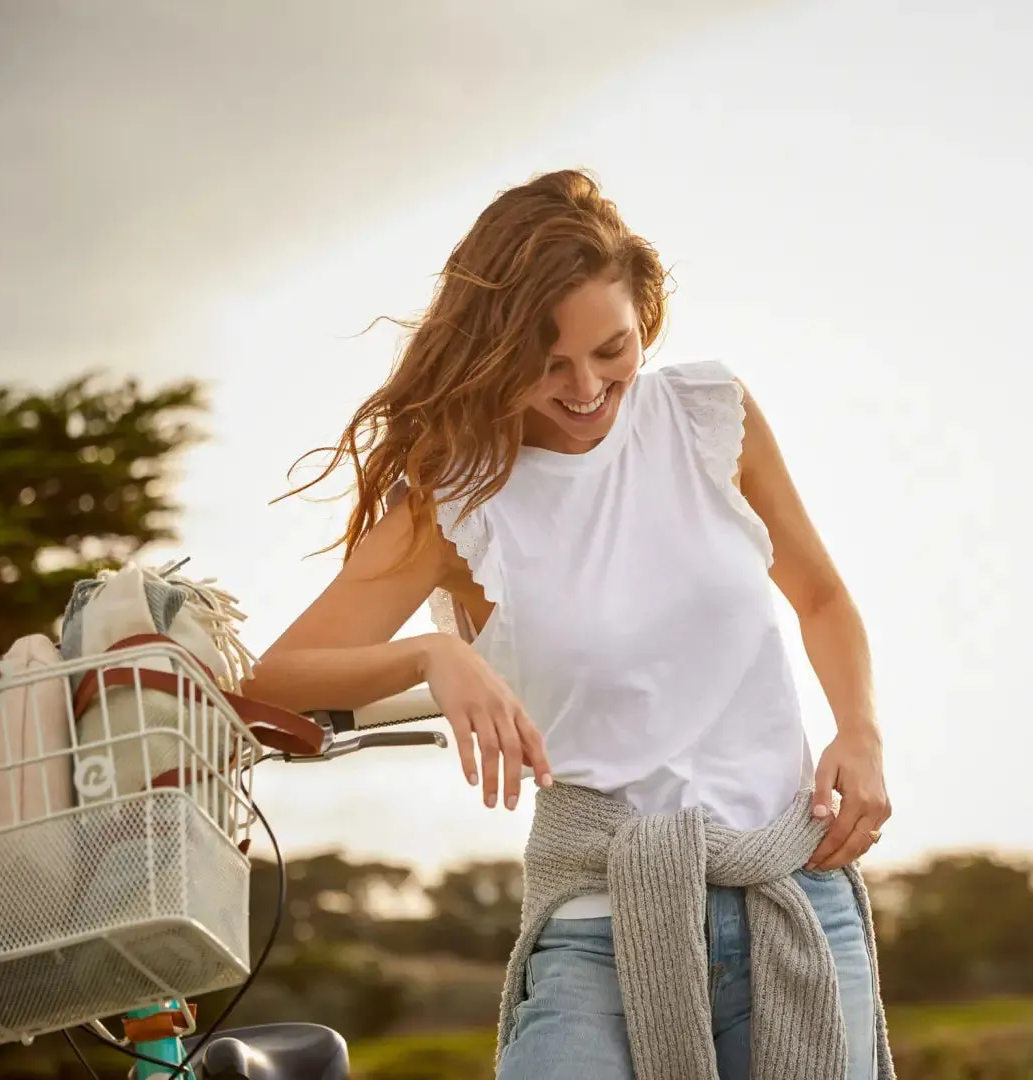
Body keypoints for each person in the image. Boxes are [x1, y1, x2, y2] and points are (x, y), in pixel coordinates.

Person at [248, 169, 894, 1080]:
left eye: (611, 350)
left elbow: (822, 597)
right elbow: (270, 679)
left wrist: (861, 734)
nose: (587, 387)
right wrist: (432, 654)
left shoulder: (714, 418)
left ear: (647, 322)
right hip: (600, 929)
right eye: (548, 364)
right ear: (491, 351)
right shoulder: (455, 503)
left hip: (794, 895)